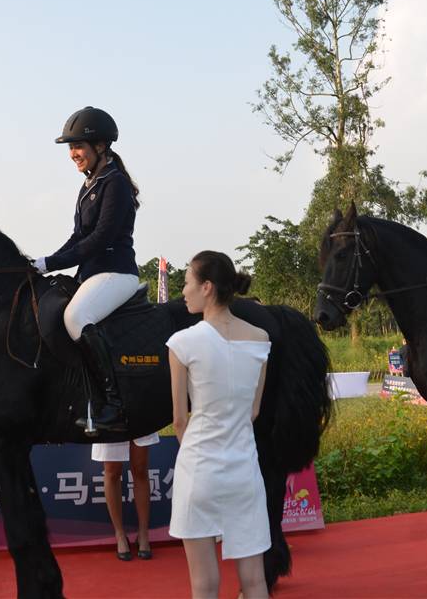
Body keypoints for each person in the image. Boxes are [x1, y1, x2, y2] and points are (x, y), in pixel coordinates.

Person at [166, 251, 271, 599]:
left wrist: (199, 447)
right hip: (244, 471)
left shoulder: (182, 343)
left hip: (199, 470)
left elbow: (180, 420)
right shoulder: (260, 340)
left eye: (187, 282)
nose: (183, 291)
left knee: (204, 584)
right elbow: (253, 411)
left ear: (207, 287)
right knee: (255, 582)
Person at [32, 106, 141, 432]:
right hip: (92, 274)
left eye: (78, 146)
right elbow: (78, 237)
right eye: (70, 147)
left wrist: (50, 263)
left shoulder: (115, 183)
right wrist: (42, 263)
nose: (73, 154)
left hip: (116, 272)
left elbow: (99, 239)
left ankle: (114, 405)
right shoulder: (90, 184)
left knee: (75, 317)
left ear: (101, 146)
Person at [91, 434, 159, 561]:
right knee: (112, 471)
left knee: (140, 468)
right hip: (110, 416)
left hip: (138, 416)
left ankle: (143, 533)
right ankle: (120, 534)